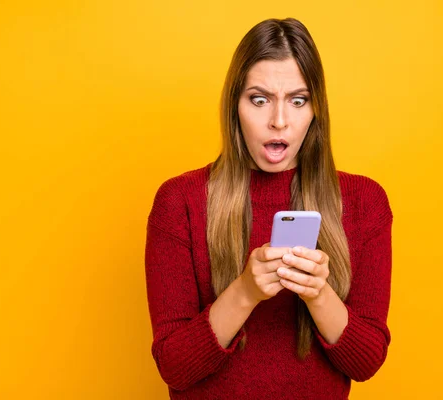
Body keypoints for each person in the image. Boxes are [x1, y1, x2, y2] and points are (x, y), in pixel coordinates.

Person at [145, 17, 393, 400]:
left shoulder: (364, 203)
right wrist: (245, 291)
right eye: (259, 100)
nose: (279, 121)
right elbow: (174, 367)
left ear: (316, 110)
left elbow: (366, 363)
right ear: (235, 106)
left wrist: (317, 293)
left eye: (298, 100)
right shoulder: (179, 201)